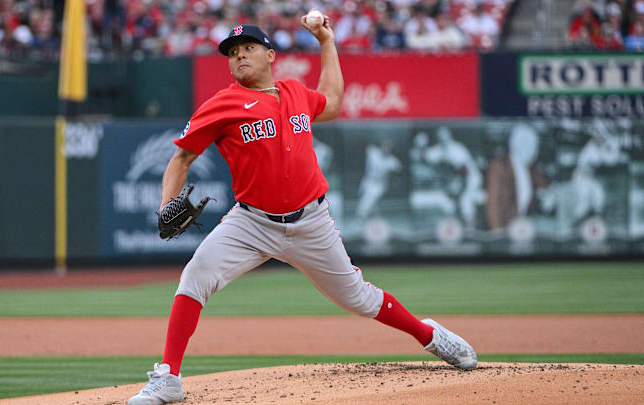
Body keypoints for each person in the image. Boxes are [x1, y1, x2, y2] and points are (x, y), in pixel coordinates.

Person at [127, 13, 477, 405]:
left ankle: (429, 335)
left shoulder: (295, 92)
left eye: (248, 49)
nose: (239, 56)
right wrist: (164, 205)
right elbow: (181, 158)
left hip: (311, 221)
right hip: (251, 222)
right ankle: (168, 378)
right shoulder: (223, 104)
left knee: (358, 298)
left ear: (271, 55)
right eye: (233, 53)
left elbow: (332, 103)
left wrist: (327, 42)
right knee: (195, 276)